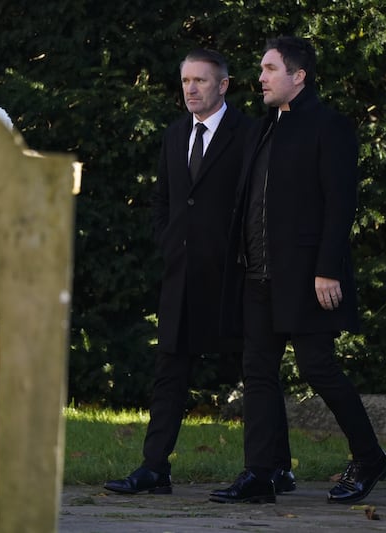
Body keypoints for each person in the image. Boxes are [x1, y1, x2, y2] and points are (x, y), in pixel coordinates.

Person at [104, 48, 295, 496]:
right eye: (186, 80)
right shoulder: (174, 135)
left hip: (235, 277)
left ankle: (275, 468)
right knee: (169, 368)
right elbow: (164, 199)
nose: (191, 89)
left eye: (201, 81)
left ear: (223, 85)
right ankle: (154, 468)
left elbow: (260, 202)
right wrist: (168, 242)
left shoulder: (250, 133)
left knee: (258, 371)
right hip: (182, 275)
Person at [210, 36, 386, 505]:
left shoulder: (329, 126)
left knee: (318, 368)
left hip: (308, 276)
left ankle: (370, 458)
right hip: (258, 275)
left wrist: (327, 268)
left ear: (298, 76)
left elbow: (340, 202)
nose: (261, 78)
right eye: (261, 69)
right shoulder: (264, 127)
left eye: (270, 69)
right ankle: (261, 474)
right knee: (259, 373)